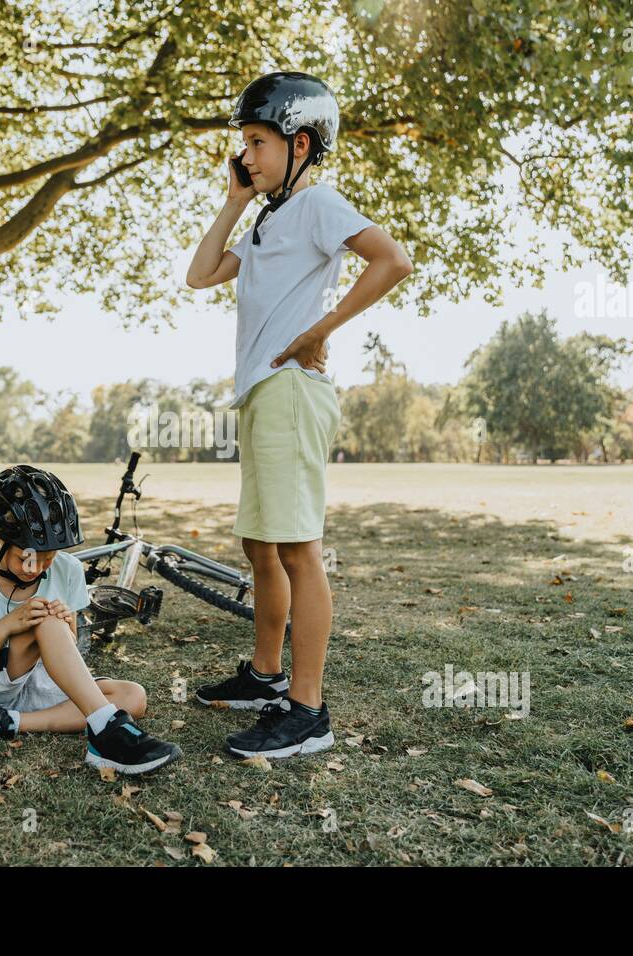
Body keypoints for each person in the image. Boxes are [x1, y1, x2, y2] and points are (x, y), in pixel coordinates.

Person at [184, 71, 413, 759]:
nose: (246, 155)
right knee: (262, 547)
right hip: (262, 393)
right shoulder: (266, 220)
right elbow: (199, 274)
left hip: (290, 391)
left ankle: (307, 712)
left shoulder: (316, 205)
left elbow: (392, 260)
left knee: (295, 550)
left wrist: (323, 330)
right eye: (243, 144)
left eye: (257, 142)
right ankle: (264, 677)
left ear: (301, 142)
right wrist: (234, 201)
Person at [0, 465, 181, 775]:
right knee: (45, 621)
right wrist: (7, 626)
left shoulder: (67, 570)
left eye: (47, 556)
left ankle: (1, 723)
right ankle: (106, 732)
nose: (36, 567)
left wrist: (68, 627)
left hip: (35, 680)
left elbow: (71, 651)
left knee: (133, 696)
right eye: (25, 556)